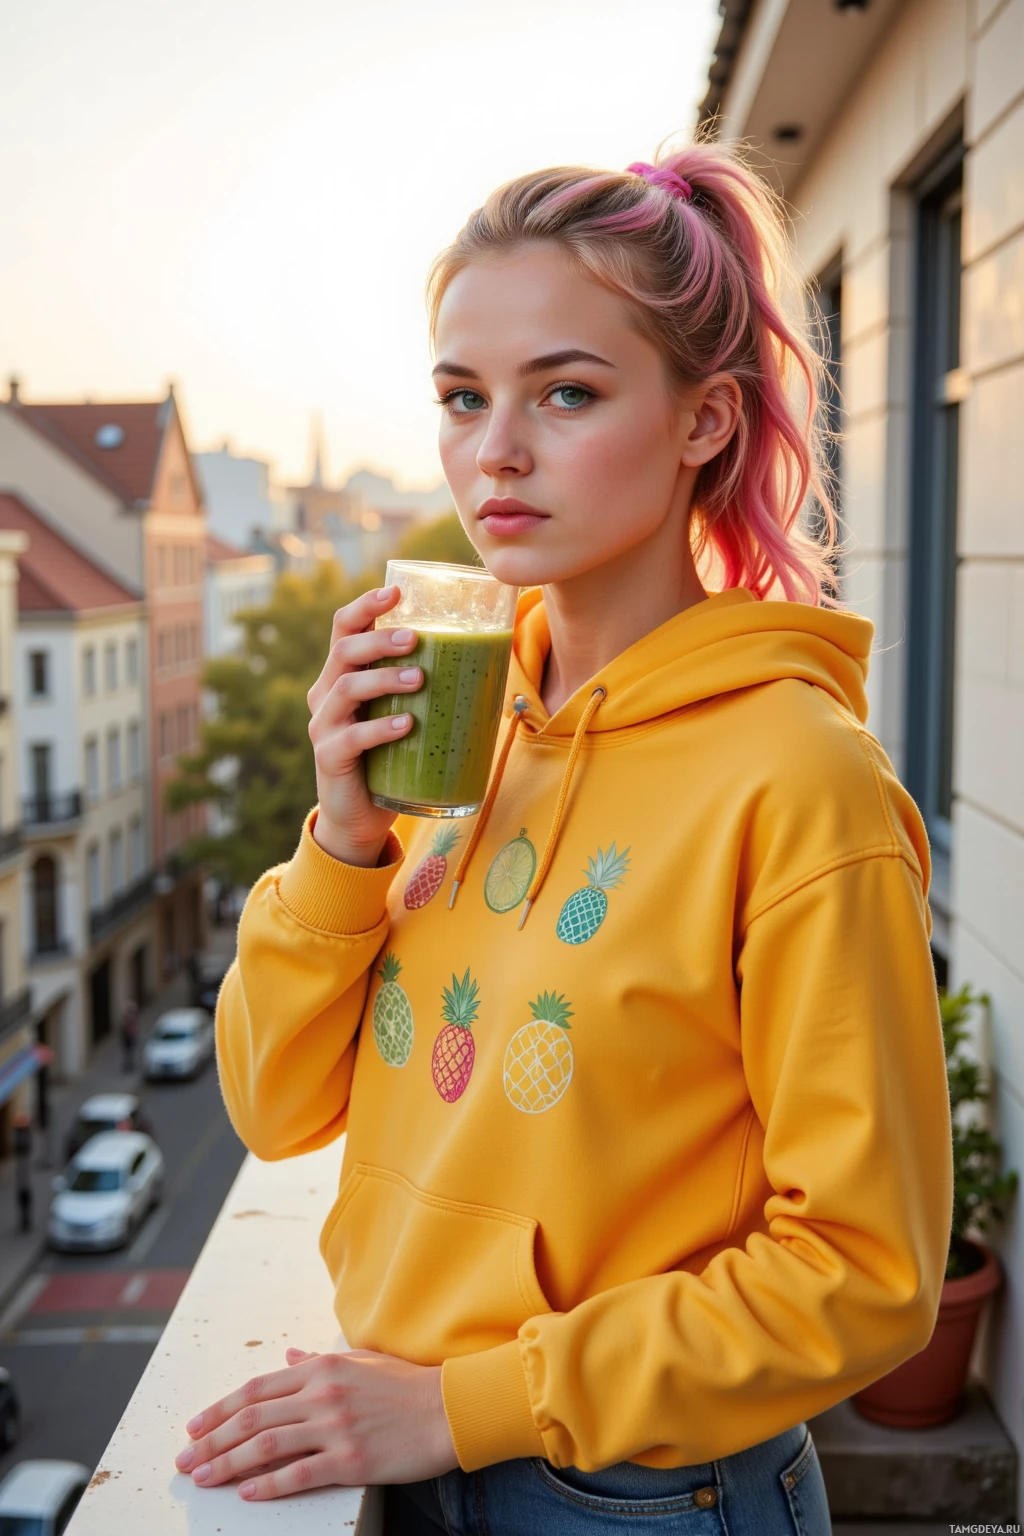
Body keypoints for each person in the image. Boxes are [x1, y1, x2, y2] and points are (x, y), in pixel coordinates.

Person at [176, 137, 953, 1533]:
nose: (496, 452)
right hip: (407, 1462)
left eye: (567, 393)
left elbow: (866, 1272)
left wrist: (456, 1405)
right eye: (463, 399)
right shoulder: (464, 716)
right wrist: (342, 844)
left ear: (705, 421)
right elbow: (272, 1103)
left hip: (636, 1496)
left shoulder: (800, 779)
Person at [120, 998, 139, 1074]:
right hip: (127, 1037)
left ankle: (129, 1064)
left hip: (130, 1036)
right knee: (128, 1052)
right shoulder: (127, 1017)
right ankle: (128, 1065)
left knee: (129, 1052)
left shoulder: (131, 1017)